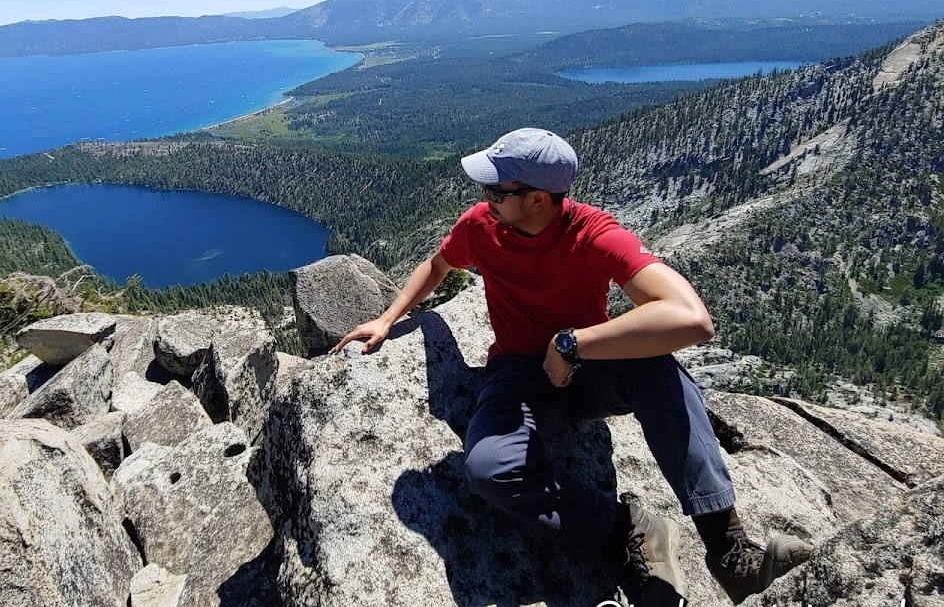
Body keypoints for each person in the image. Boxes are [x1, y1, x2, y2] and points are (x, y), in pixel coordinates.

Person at [331, 128, 814, 606]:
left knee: (659, 370)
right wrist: (388, 318)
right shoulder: (482, 227)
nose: (486, 198)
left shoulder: (594, 234)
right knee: (488, 468)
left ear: (538, 198)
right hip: (517, 375)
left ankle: (729, 552)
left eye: (498, 190)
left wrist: (572, 344)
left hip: (589, 368)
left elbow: (691, 319)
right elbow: (438, 265)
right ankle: (625, 533)